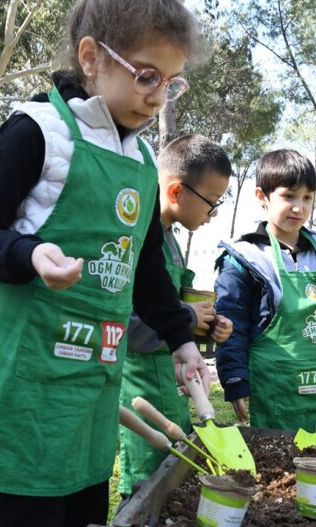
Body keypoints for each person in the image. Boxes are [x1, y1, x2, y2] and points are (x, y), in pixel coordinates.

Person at [0, 1, 210, 527]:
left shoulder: (144, 162)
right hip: (31, 381)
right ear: (92, 59)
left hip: (94, 384)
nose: (157, 97)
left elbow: (147, 267)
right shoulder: (37, 132)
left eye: (170, 82)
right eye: (146, 76)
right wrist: (28, 253)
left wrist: (181, 338)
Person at [117, 135, 234, 497]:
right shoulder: (133, 238)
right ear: (175, 192)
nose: (212, 213)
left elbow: (172, 314)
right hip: (141, 389)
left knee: (173, 481)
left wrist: (205, 327)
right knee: (144, 485)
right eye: (210, 202)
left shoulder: (169, 240)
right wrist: (186, 316)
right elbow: (127, 320)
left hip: (173, 384)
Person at [214, 149, 316, 433]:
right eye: (289, 196)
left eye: (307, 197)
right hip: (274, 390)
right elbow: (232, 323)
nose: (299, 207)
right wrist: (235, 379)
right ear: (262, 197)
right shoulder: (244, 257)